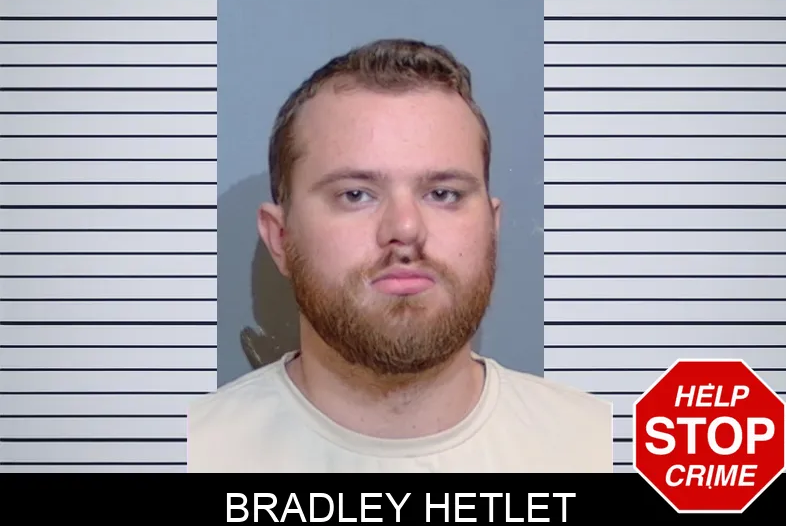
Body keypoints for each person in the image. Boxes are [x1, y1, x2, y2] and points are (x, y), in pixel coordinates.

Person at [188, 38, 613, 473]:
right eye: (355, 195)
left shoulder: (603, 449)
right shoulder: (190, 455)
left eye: (443, 194)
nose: (406, 228)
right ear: (280, 238)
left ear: (492, 227)